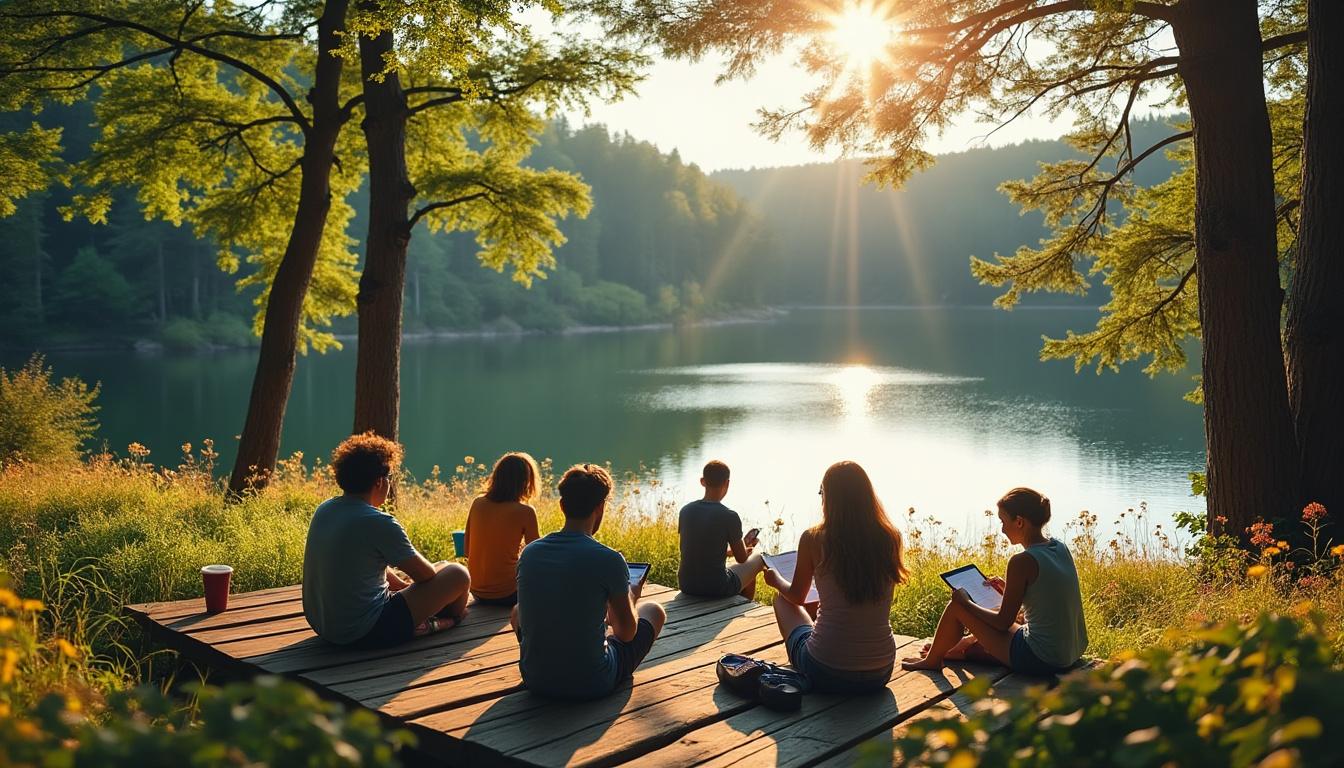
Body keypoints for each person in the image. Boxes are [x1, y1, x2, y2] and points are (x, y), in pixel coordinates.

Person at [511, 463, 667, 699]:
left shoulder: (530, 553)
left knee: (516, 611)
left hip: (535, 680)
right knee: (654, 610)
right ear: (601, 507)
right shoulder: (609, 559)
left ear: (562, 506)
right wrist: (632, 595)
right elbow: (626, 634)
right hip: (592, 682)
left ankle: (549, 664)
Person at [302, 432, 471, 648]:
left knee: (443, 567)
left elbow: (362, 563)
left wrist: (402, 586)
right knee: (457, 573)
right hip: (366, 630)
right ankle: (445, 620)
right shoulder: (378, 522)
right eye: (390, 478)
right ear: (380, 481)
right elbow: (425, 575)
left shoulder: (325, 509)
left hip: (325, 626)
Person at [900, 487, 1088, 676]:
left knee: (957, 607)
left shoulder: (1022, 561)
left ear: (1020, 522)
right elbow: (1047, 595)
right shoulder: (1059, 547)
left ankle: (933, 660)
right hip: (1070, 652)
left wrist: (965, 602)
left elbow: (1002, 623)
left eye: (1003, 521)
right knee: (1008, 619)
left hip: (1042, 658)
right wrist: (1007, 588)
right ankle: (955, 648)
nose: (1002, 529)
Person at [764, 460, 907, 693]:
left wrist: (776, 580)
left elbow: (797, 597)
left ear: (829, 497)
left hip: (825, 669)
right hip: (880, 671)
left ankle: (821, 644)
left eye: (822, 492)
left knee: (782, 600)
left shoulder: (813, 538)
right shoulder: (891, 537)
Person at [677, 460, 766, 599]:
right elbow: (742, 559)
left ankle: (738, 603)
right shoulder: (729, 516)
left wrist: (729, 552)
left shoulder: (686, 511)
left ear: (702, 481)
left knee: (738, 570)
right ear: (727, 483)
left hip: (686, 585)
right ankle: (743, 606)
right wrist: (746, 547)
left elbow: (696, 550)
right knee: (759, 558)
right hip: (716, 587)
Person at [464, 452, 542, 607]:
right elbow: (537, 559)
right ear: (525, 481)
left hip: (476, 591)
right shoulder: (525, 511)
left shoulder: (478, 503)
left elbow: (467, 550)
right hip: (509, 594)